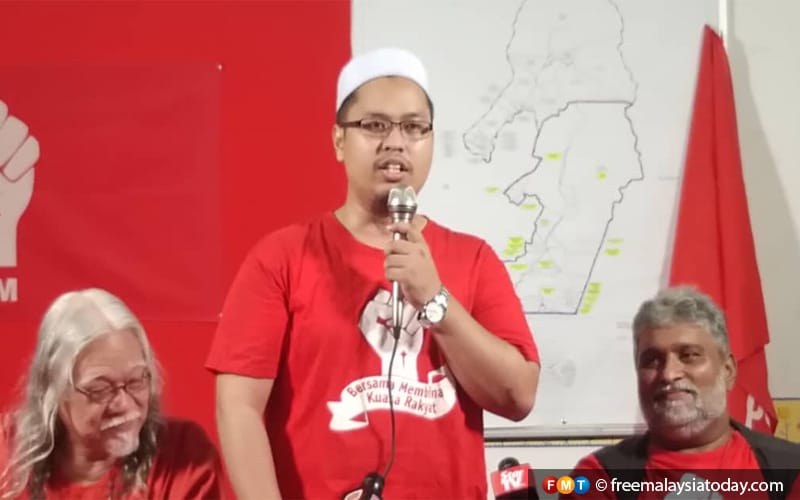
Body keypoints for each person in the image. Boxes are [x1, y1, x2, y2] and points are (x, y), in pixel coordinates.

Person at [206, 47, 541, 499]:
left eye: (414, 127)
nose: (396, 142)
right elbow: (238, 408)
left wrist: (435, 300)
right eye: (375, 125)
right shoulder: (281, 258)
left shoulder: (473, 259)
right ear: (338, 140)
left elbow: (517, 395)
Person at [563, 287, 800, 499]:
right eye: (652, 360)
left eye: (689, 356)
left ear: (727, 371)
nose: (668, 374)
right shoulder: (598, 479)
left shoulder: (790, 471)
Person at [0, 288, 222, 499]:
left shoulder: (183, 455)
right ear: (53, 390)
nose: (124, 404)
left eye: (136, 381)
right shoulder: (6, 452)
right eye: (100, 389)